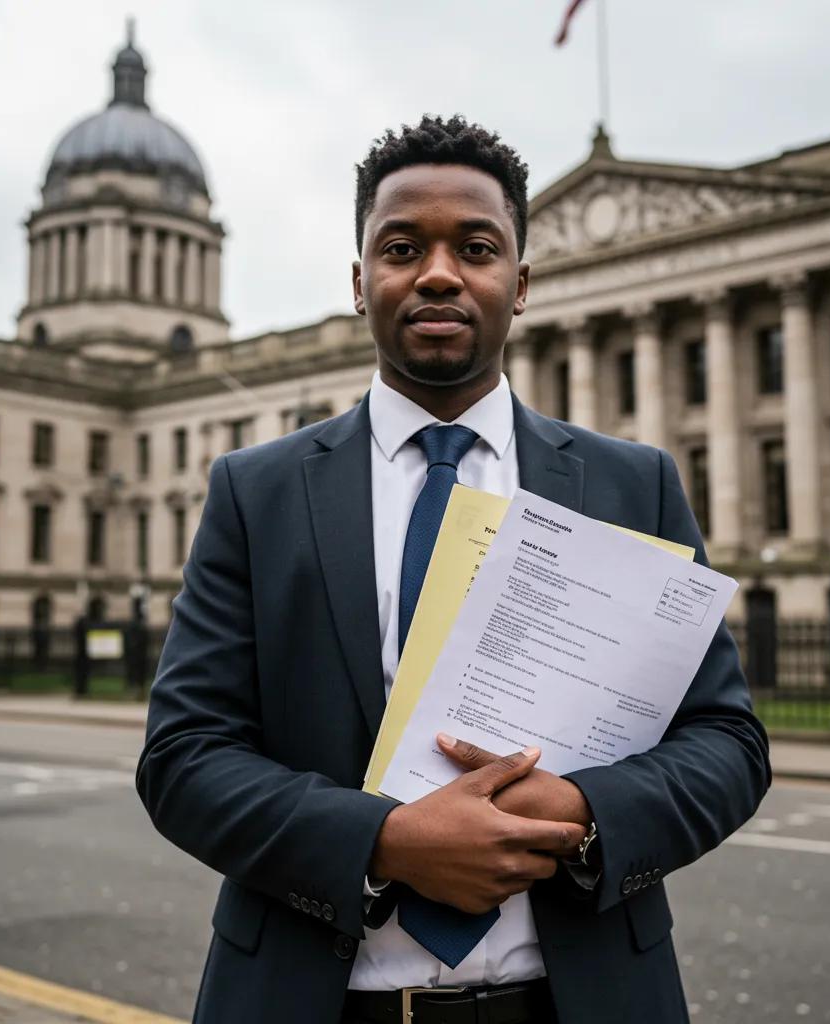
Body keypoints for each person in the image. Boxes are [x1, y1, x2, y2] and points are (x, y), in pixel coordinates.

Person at [136, 114, 771, 1024]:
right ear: (361, 284)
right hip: (317, 1002)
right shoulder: (255, 491)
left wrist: (583, 810)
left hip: (576, 999)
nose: (438, 271)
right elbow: (182, 758)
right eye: (401, 247)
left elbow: (729, 744)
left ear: (520, 284)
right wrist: (384, 841)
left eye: (475, 246)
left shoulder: (633, 484)